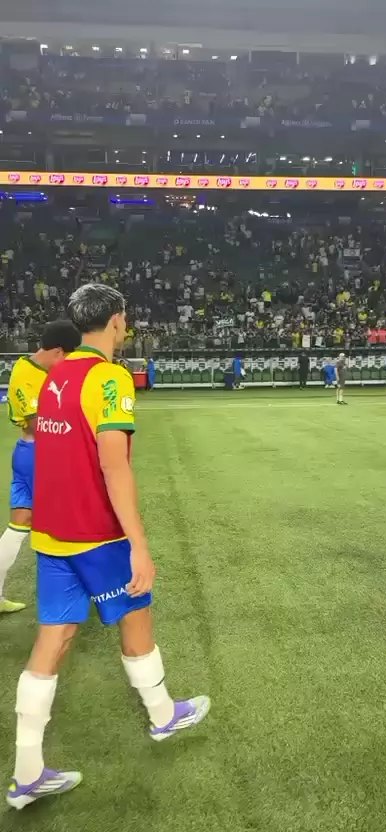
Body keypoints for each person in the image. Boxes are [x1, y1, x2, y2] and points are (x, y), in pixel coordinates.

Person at [6, 284, 210, 810]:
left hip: (53, 533)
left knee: (53, 639)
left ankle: (27, 772)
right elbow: (113, 465)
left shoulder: (55, 374)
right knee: (136, 617)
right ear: (117, 320)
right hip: (96, 533)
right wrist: (138, 544)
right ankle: (163, 715)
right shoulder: (108, 377)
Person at [0, 320, 81, 614]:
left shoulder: (36, 370)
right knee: (68, 522)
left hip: (29, 453)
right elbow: (41, 426)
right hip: (40, 454)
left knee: (20, 522)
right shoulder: (27, 375)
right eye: (67, 356)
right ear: (58, 351)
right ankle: (77, 592)